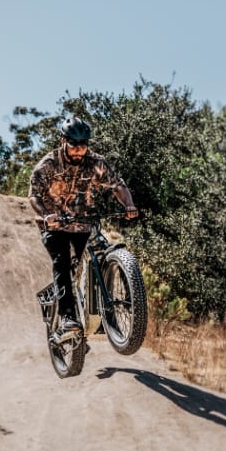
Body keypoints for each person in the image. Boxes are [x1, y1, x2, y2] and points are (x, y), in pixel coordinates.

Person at [29, 117, 138, 334]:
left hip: (84, 224)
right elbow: (34, 196)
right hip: (56, 226)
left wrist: (129, 204)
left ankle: (103, 317)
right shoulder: (49, 164)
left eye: (83, 146)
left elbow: (117, 185)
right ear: (63, 142)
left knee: (97, 258)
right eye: (74, 146)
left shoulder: (95, 162)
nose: (79, 151)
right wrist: (47, 215)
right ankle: (67, 318)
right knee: (62, 261)